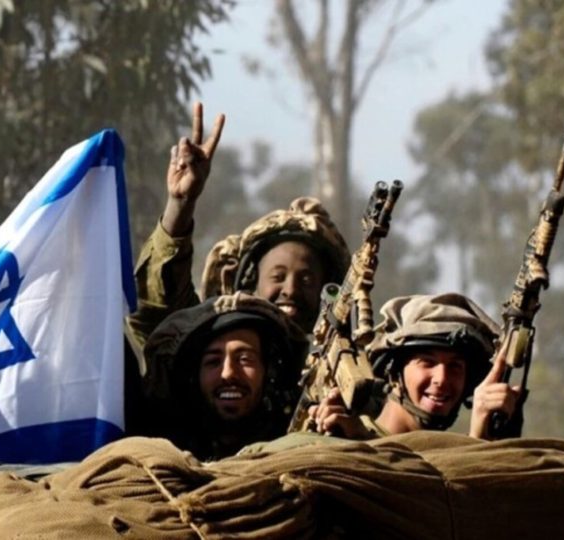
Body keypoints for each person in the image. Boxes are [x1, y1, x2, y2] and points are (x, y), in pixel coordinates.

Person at [127, 103, 350, 357]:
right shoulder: (208, 355)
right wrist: (181, 203)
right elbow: (154, 314)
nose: (290, 290)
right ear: (250, 284)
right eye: (277, 276)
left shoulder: (340, 371)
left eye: (307, 280)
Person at [308, 293, 522, 440]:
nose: (442, 378)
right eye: (427, 362)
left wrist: (487, 439)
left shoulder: (455, 454)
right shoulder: (344, 436)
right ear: (393, 371)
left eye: (455, 366)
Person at [141, 292, 306, 459]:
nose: (228, 373)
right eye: (213, 361)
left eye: (244, 359)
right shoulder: (163, 449)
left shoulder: (296, 442)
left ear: (268, 370)